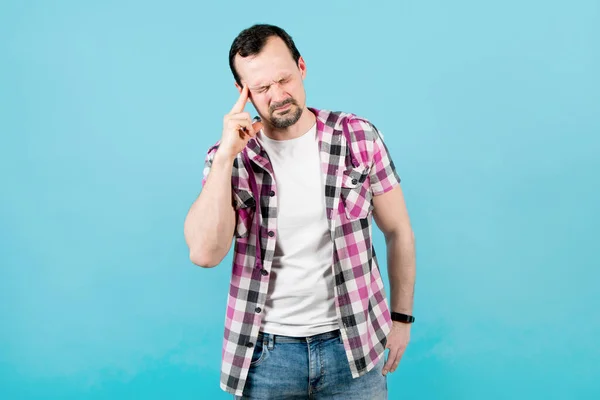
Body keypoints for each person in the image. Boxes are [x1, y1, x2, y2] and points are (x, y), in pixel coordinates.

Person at [184, 24, 416, 399]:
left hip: (353, 342)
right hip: (267, 356)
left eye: (284, 78)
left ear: (302, 66)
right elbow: (204, 253)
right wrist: (226, 156)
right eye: (261, 88)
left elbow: (399, 230)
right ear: (242, 93)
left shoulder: (358, 136)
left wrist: (402, 318)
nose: (278, 95)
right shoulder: (230, 159)